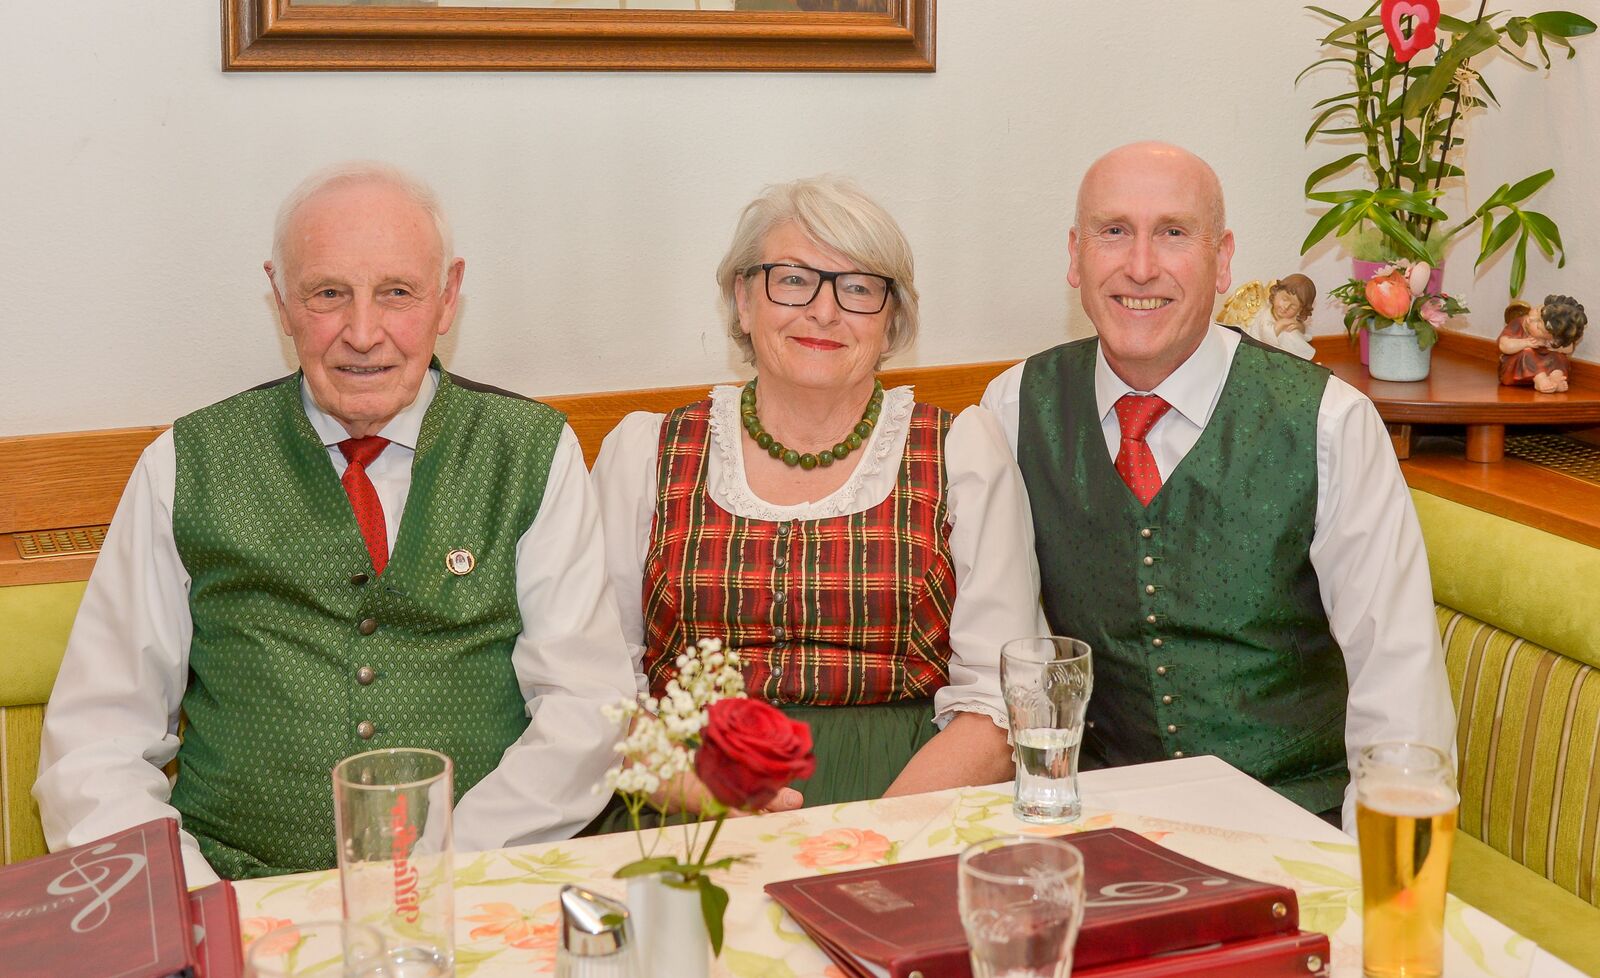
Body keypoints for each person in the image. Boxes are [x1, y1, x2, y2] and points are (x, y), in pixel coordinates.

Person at [35, 162, 637, 884]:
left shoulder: (531, 452)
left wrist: (442, 864)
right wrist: (196, 903)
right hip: (235, 893)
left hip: (479, 889)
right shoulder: (183, 465)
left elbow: (586, 710)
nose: (363, 333)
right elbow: (94, 744)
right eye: (328, 294)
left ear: (447, 296)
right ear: (281, 299)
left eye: (397, 293)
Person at [981, 142, 1454, 830]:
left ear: (1223, 259)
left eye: (1174, 233)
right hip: (1102, 827)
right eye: (1114, 231)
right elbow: (1006, 654)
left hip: (1295, 828)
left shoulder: (1329, 423)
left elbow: (1399, 682)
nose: (1140, 266)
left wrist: (1374, 874)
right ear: (1076, 256)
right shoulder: (1015, 409)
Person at [592, 176, 1046, 812]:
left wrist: (873, 834)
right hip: (687, 809)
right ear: (743, 300)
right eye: (793, 279)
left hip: (910, 801)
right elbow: (595, 687)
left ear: (891, 320)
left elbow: (1002, 705)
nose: (824, 311)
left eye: (858, 288)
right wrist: (711, 802)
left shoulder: (962, 452)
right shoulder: (646, 453)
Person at [1499, 295, 1587, 393]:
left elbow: (1568, 348)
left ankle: (1555, 378)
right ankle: (1540, 380)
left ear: (1552, 336)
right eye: (1537, 310)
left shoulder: (1553, 339)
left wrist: (1551, 345)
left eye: (1538, 325)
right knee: (1527, 353)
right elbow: (1503, 345)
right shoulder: (1519, 323)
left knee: (1560, 357)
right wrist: (1526, 343)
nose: (1531, 319)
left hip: (1542, 364)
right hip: (1516, 370)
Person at [1243, 274, 1317, 360]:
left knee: (1292, 333)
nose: (1286, 307)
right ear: (1276, 293)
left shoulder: (1292, 318)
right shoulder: (1265, 315)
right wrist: (1281, 324)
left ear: (1300, 310)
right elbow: (1267, 338)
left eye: (1293, 306)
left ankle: (1301, 360)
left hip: (1279, 352)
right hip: (1259, 350)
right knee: (1287, 335)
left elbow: (1303, 333)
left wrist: (1299, 326)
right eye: (1285, 299)